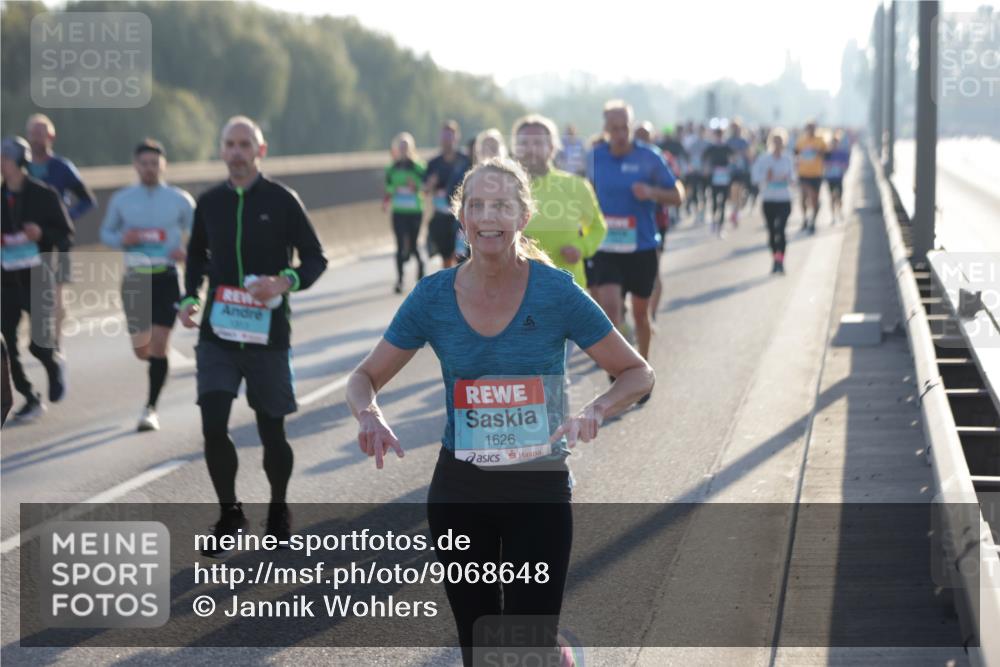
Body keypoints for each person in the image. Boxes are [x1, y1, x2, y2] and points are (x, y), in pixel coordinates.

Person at [346, 157, 654, 667]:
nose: (489, 215)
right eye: (478, 205)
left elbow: (638, 372)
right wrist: (368, 415)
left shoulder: (556, 291)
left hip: (538, 487)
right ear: (462, 218)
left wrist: (596, 409)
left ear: (522, 217)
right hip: (461, 490)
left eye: (502, 205)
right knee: (481, 648)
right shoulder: (432, 297)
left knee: (526, 647)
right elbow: (363, 377)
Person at [178, 116, 328, 553]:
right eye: (230, 144)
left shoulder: (283, 200)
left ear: (260, 151)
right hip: (217, 336)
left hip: (268, 337)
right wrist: (189, 298)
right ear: (222, 151)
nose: (238, 152)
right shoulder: (208, 202)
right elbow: (195, 258)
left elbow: (315, 259)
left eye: (246, 144)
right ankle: (230, 513)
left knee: (271, 431)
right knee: (212, 424)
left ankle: (278, 508)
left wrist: (285, 282)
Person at [587, 101, 681, 404]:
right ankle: (620, 371)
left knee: (640, 313)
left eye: (623, 127)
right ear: (605, 129)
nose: (619, 134)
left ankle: (643, 371)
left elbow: (678, 195)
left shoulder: (648, 157)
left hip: (641, 246)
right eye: (613, 128)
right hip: (607, 246)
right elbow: (586, 194)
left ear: (631, 125)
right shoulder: (595, 157)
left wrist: (652, 192)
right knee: (611, 309)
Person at [99, 139, 195, 431]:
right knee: (142, 350)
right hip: (135, 279)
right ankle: (153, 375)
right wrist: (121, 240)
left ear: (163, 165)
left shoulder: (180, 199)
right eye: (144, 163)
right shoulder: (122, 199)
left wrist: (188, 253)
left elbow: (200, 233)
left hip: (166, 276)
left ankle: (150, 408)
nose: (150, 168)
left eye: (155, 163)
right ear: (136, 165)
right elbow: (105, 232)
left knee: (158, 344)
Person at [1, 136, 73, 421]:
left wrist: (41, 233)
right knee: (6, 344)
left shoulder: (44, 195)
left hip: (37, 277)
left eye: (5, 158)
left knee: (38, 342)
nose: (2, 164)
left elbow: (65, 233)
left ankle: (53, 366)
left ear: (20, 161)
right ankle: (29, 395)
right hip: (6, 280)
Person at [25, 114, 96, 355]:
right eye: (33, 133)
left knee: (56, 292)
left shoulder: (62, 168)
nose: (37, 138)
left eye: (41, 133)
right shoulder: (20, 168)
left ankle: (55, 342)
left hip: (58, 238)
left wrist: (67, 217)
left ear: (51, 136)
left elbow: (88, 200)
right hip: (27, 240)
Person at [513, 113, 606, 288]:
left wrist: (581, 247)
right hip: (516, 290)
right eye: (524, 143)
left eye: (538, 143)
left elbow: (597, 227)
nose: (531, 149)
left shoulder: (576, 185)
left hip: (569, 289)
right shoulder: (503, 187)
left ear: (552, 147)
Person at [424, 121, 471, 269]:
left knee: (461, 255)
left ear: (457, 137)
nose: (447, 139)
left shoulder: (465, 160)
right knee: (445, 256)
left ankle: (462, 283)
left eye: (451, 135)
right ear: (440, 138)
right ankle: (449, 286)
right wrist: (431, 184)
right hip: (441, 215)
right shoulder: (433, 163)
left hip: (460, 216)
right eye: (444, 135)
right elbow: (424, 190)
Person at [383, 132, 426, 293]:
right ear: (397, 148)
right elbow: (388, 187)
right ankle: (400, 280)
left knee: (413, 245)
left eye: (406, 147)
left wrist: (414, 185)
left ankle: (421, 266)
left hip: (415, 211)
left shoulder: (418, 166)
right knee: (400, 245)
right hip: (399, 211)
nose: (403, 150)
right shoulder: (391, 168)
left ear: (411, 148)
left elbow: (425, 185)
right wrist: (390, 196)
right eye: (401, 147)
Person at [752, 128, 797, 274]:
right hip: (769, 199)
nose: (778, 145)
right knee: (771, 233)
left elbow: (794, 178)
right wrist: (767, 177)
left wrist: (789, 179)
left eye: (780, 142)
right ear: (771, 142)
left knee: (781, 230)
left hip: (784, 199)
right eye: (775, 142)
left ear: (784, 143)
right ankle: (775, 259)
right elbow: (755, 178)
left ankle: (781, 260)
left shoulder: (788, 158)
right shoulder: (764, 159)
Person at [794, 121, 827, 233]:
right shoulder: (801, 141)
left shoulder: (820, 140)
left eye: (813, 128)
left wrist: (818, 152)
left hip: (816, 174)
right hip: (803, 173)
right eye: (809, 128)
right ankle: (805, 219)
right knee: (803, 198)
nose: (811, 130)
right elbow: (796, 155)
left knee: (814, 199)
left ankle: (813, 219)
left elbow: (826, 155)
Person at [702, 126, 734, 237]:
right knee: (715, 201)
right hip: (714, 175)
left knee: (724, 202)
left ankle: (721, 226)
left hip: (724, 175)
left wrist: (731, 165)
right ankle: (714, 221)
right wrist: (706, 168)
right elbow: (704, 157)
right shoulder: (712, 147)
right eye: (718, 134)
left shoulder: (726, 146)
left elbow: (733, 157)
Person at [726, 120, 751, 226]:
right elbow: (726, 154)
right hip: (732, 170)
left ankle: (736, 211)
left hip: (742, 170)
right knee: (733, 191)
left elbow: (748, 154)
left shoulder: (743, 141)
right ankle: (734, 211)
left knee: (740, 191)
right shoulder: (728, 141)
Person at [824, 130, 850, 224]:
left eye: (836, 143)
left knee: (839, 197)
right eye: (833, 143)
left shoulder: (842, 153)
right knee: (831, 197)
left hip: (839, 177)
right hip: (830, 178)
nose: (834, 145)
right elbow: (824, 164)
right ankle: (833, 216)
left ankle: (840, 212)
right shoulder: (827, 153)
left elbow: (846, 165)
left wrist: (839, 165)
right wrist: (829, 165)